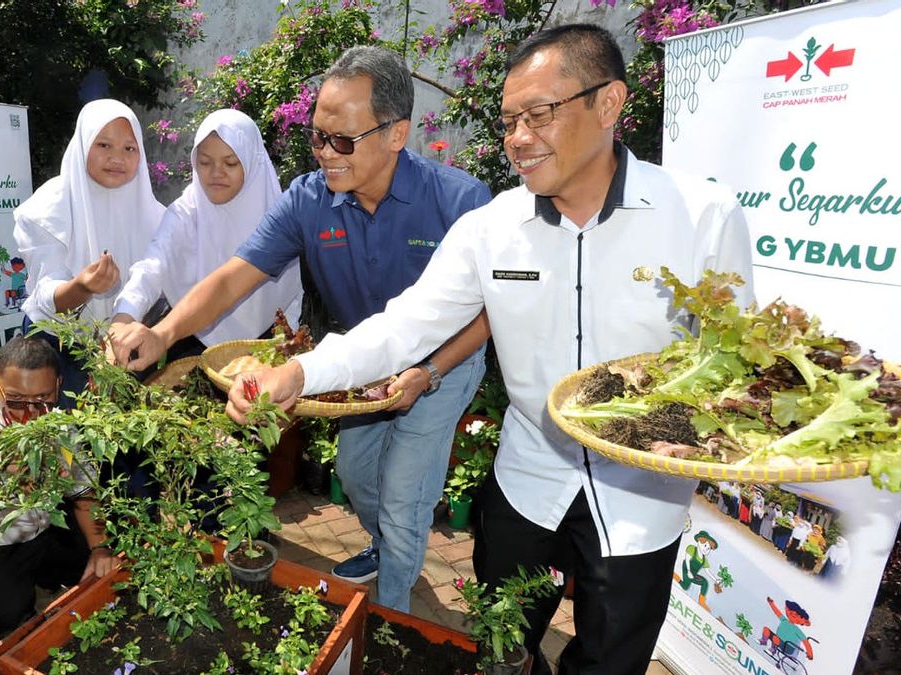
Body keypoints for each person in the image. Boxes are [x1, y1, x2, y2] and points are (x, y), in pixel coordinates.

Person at [226, 24, 754, 674]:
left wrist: (696, 426)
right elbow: (403, 327)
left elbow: (728, 364)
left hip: (642, 500)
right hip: (528, 482)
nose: (518, 140)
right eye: (508, 122)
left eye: (538, 115)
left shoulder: (703, 218)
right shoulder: (492, 228)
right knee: (500, 650)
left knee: (609, 659)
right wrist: (299, 373)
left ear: (609, 104)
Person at [110, 45, 492, 612]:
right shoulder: (309, 200)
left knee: (403, 497)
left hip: (441, 364)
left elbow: (489, 309)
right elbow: (232, 278)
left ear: (396, 134)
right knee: (361, 479)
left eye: (343, 140)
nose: (326, 155)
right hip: (358, 365)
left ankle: (387, 622)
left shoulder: (458, 201)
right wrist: (163, 334)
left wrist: (429, 370)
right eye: (317, 137)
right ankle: (386, 546)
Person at [0, 336, 116, 641]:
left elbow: (84, 493)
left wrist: (100, 548)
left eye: (43, 401)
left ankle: (43, 575)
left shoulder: (60, 427)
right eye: (16, 401)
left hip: (43, 530)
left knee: (103, 560)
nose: (30, 413)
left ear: (58, 386)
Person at [111, 108, 302, 357]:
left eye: (230, 163)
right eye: (205, 162)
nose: (216, 173)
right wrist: (123, 317)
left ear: (252, 163)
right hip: (191, 337)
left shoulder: (278, 218)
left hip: (272, 345)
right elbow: (153, 266)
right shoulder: (187, 211)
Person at [14, 99, 166, 395]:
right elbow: (44, 296)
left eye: (129, 148)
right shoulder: (48, 208)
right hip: (60, 347)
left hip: (130, 347)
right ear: (83, 144)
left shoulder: (157, 216)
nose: (117, 158)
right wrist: (82, 287)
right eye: (104, 145)